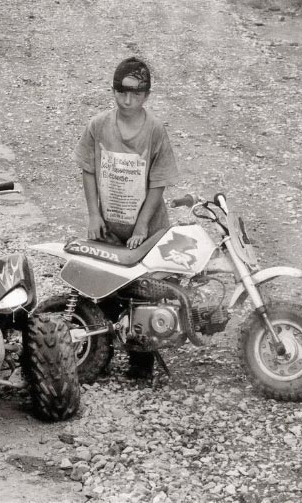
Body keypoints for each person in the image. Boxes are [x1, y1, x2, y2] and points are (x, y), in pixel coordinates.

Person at [73, 56, 179, 379]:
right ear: (113, 91)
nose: (128, 99)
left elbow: (158, 182)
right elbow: (88, 170)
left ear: (146, 95)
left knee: (145, 292)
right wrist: (94, 214)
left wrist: (144, 224)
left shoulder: (156, 130)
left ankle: (141, 357)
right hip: (110, 225)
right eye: (121, 92)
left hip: (145, 227)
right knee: (105, 289)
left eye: (135, 93)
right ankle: (99, 353)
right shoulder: (98, 126)